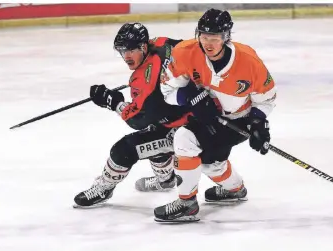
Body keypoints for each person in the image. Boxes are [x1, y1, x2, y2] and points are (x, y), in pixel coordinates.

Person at [154, 8, 276, 222]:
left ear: (226, 37)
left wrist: (257, 122)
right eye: (204, 36)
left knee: (186, 141)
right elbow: (167, 91)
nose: (208, 43)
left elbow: (266, 98)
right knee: (210, 163)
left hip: (239, 120)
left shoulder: (249, 61)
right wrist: (188, 96)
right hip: (207, 118)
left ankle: (187, 204)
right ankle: (235, 190)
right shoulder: (184, 53)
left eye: (215, 38)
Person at [73, 22, 191, 208]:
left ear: (144, 47)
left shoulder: (145, 80)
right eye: (122, 51)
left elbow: (137, 120)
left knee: (124, 150)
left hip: (184, 129)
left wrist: (113, 102)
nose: (126, 56)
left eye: (130, 50)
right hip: (190, 112)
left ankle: (104, 188)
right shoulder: (162, 43)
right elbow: (189, 48)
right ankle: (166, 180)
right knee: (154, 135)